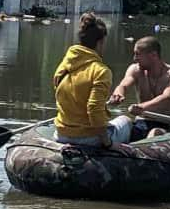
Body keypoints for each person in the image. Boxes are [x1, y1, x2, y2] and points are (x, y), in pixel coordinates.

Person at [53, 13, 131, 148]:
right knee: (126, 121)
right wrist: (108, 143)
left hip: (61, 134)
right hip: (89, 138)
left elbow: (71, 100)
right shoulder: (101, 71)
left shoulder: (65, 65)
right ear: (100, 42)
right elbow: (93, 109)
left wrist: (106, 106)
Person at [110, 36, 170, 141]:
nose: (134, 58)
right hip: (140, 123)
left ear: (153, 55)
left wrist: (142, 107)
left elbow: (168, 97)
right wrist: (118, 94)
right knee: (123, 120)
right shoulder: (135, 69)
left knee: (155, 132)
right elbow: (123, 85)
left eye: (138, 54)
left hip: (164, 126)